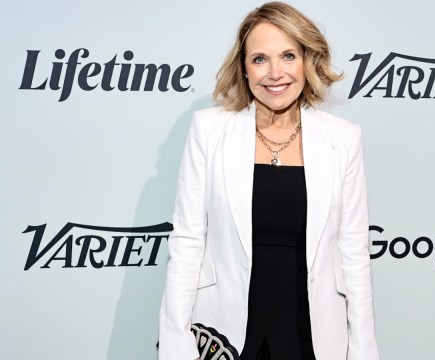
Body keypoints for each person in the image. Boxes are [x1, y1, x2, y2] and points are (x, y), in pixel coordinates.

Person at [159, 2, 379, 359]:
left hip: (312, 330)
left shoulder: (343, 138)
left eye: (288, 56)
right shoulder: (209, 130)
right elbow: (186, 244)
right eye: (260, 59)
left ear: (308, 61)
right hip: (228, 330)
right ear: (244, 68)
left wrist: (363, 350)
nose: (275, 73)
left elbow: (354, 255)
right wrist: (175, 345)